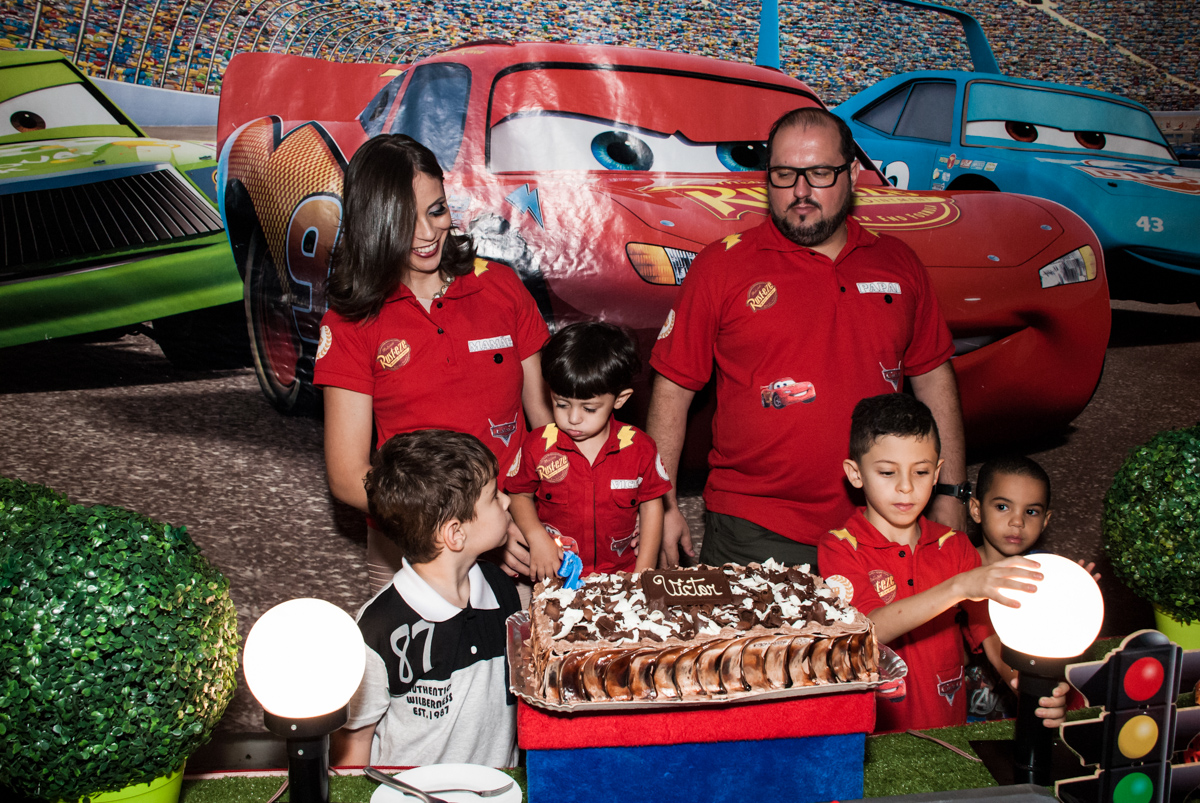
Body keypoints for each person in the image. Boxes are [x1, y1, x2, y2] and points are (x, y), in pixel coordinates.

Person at [647, 106, 969, 571]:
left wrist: (951, 493)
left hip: (883, 529)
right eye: (784, 174)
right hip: (752, 532)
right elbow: (673, 390)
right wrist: (662, 503)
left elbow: (934, 382)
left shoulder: (899, 264)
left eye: (819, 173)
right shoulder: (721, 267)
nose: (800, 192)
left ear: (852, 174)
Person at [315, 134, 552, 591]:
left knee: (522, 663)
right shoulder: (350, 321)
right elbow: (347, 477)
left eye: (436, 210)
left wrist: (533, 520)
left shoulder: (500, 287)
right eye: (404, 219)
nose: (426, 234)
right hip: (411, 554)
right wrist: (469, 523)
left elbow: (546, 430)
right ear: (373, 223)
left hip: (518, 541)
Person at [818, 394, 1067, 732]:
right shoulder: (839, 547)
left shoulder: (954, 545)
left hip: (948, 729)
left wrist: (1021, 681)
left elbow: (988, 633)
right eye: (888, 472)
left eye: (920, 471)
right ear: (855, 473)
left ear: (937, 473)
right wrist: (959, 586)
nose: (906, 487)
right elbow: (868, 629)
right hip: (875, 735)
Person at [331, 429, 520, 767]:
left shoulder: (502, 591)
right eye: (493, 496)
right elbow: (354, 742)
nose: (506, 501)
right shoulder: (377, 629)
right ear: (455, 533)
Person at [507, 321, 671, 580]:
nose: (573, 418)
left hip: (622, 576)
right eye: (561, 403)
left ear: (620, 399)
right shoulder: (537, 445)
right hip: (557, 573)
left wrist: (644, 573)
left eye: (589, 408)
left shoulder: (640, 448)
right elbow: (518, 495)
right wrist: (536, 538)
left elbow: (652, 506)